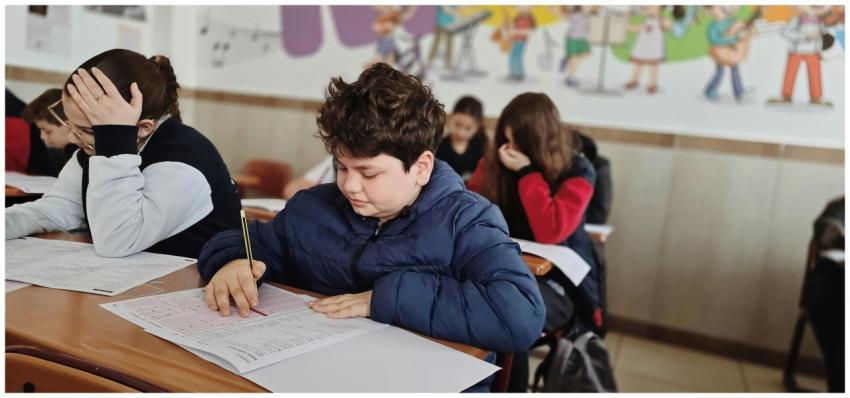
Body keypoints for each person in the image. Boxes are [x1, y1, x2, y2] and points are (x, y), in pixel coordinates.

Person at [198, 64, 546, 392]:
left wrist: (385, 298)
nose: (349, 185)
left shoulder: (467, 221)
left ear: (422, 167)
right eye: (341, 166)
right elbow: (252, 240)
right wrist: (233, 260)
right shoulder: (314, 207)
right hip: (319, 376)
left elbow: (521, 314)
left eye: (368, 173)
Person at [5, 49, 241, 258]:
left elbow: (116, 241)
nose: (71, 138)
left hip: (197, 287)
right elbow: (55, 209)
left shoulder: (184, 159)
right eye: (69, 124)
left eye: (86, 129)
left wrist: (115, 141)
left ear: (142, 127)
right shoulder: (93, 150)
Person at [468, 92, 602, 392]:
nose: (510, 149)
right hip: (502, 265)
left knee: (511, 312)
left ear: (539, 141)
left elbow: (550, 230)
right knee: (474, 303)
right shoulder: (495, 161)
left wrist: (528, 172)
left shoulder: (578, 170)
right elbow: (471, 207)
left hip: (558, 279)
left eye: (519, 143)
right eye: (505, 139)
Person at [21, 88, 79, 172]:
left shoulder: (87, 155)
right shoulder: (69, 151)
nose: (42, 137)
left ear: (69, 123)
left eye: (48, 131)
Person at [435, 95, 487, 182]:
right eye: (457, 125)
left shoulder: (483, 148)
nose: (461, 133)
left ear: (478, 126)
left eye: (468, 128)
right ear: (451, 118)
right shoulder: (439, 146)